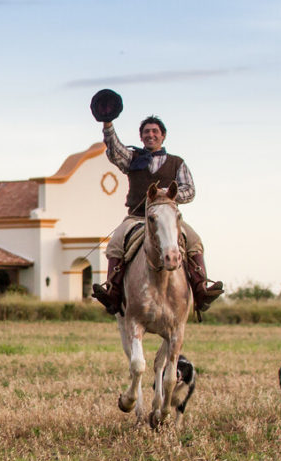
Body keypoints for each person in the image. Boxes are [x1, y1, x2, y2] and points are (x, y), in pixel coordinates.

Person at [91, 114, 223, 315]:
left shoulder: (177, 163)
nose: (150, 135)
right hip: (137, 219)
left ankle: (201, 289)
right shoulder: (133, 159)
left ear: (163, 136)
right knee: (116, 242)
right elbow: (115, 150)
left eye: (155, 131)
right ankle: (113, 291)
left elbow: (191, 191)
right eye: (146, 132)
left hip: (168, 219)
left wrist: (167, 194)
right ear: (141, 137)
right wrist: (108, 124)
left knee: (194, 240)